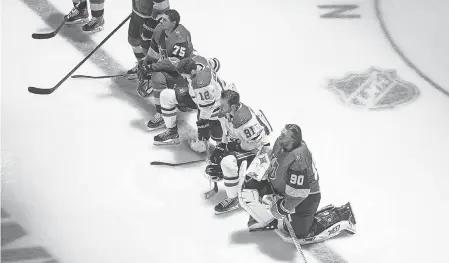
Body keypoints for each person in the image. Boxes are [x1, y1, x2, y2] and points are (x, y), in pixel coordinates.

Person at [239, 124, 356, 243]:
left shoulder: (298, 158)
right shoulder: (282, 142)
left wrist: (281, 208)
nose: (280, 137)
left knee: (298, 232)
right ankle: (267, 220)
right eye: (281, 133)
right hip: (284, 187)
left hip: (306, 196)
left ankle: (342, 215)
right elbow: (271, 156)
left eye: (283, 135)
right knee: (251, 187)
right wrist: (261, 170)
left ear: (293, 139)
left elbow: (298, 194)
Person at [205, 90, 272, 214]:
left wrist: (234, 148)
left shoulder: (245, 120)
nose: (221, 107)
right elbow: (227, 132)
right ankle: (234, 179)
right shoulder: (228, 112)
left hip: (259, 151)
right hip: (244, 145)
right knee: (216, 162)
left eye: (224, 105)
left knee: (227, 163)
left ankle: (234, 198)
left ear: (234, 106)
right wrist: (222, 146)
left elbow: (254, 144)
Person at [137, 9, 194, 130]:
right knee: (157, 78)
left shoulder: (180, 38)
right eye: (161, 18)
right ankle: (161, 113)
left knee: (185, 106)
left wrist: (151, 67)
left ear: (173, 23)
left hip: (182, 73)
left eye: (164, 20)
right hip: (169, 67)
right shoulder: (159, 29)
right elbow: (154, 49)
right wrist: (147, 63)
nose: (160, 21)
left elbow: (175, 64)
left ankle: (184, 94)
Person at [152, 55, 224, 150]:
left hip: (215, 108)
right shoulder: (199, 60)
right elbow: (216, 62)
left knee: (210, 142)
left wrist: (203, 126)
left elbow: (207, 108)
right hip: (205, 98)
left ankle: (218, 145)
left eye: (184, 75)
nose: (183, 76)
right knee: (166, 95)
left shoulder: (201, 85)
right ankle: (172, 132)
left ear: (193, 71)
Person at [127, 0, 170, 75]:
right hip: (137, 13)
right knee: (133, 40)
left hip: (152, 19)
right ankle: (141, 66)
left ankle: (151, 74)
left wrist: (154, 22)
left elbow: (162, 6)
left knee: (149, 48)